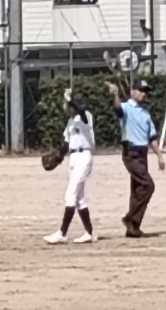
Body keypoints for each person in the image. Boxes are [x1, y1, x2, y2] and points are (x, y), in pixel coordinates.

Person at [106, 79, 165, 238]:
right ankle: (130, 218)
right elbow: (117, 109)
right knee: (148, 185)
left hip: (142, 153)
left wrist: (159, 155)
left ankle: (133, 227)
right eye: (141, 90)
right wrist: (115, 94)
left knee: (138, 190)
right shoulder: (126, 107)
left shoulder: (146, 113)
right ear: (133, 91)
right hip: (130, 152)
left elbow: (152, 137)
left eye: (145, 91)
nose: (144, 94)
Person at [44, 89, 97, 244]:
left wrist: (69, 99)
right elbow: (67, 144)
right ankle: (90, 232)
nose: (67, 108)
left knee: (70, 194)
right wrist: (58, 156)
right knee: (79, 198)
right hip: (73, 158)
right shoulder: (70, 122)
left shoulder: (86, 116)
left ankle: (62, 233)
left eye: (69, 105)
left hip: (84, 156)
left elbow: (81, 110)